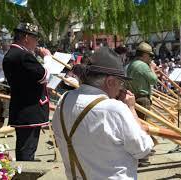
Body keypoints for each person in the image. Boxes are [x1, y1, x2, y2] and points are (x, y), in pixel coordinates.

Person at [52, 47, 153, 180]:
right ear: (110, 82)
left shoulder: (64, 99)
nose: (121, 88)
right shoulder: (115, 109)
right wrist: (131, 109)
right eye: (121, 83)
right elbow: (143, 149)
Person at [2, 22, 51, 161]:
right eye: (35, 39)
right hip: (30, 111)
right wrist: (48, 58)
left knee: (25, 150)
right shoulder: (23, 56)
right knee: (27, 152)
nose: (36, 43)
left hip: (23, 110)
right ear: (27, 38)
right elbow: (44, 75)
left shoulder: (12, 54)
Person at [126, 42, 158, 167]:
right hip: (142, 99)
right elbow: (153, 80)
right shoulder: (143, 66)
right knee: (144, 128)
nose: (150, 58)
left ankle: (142, 153)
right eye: (149, 56)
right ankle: (142, 156)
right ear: (144, 55)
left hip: (134, 98)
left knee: (137, 127)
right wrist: (152, 69)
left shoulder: (131, 65)